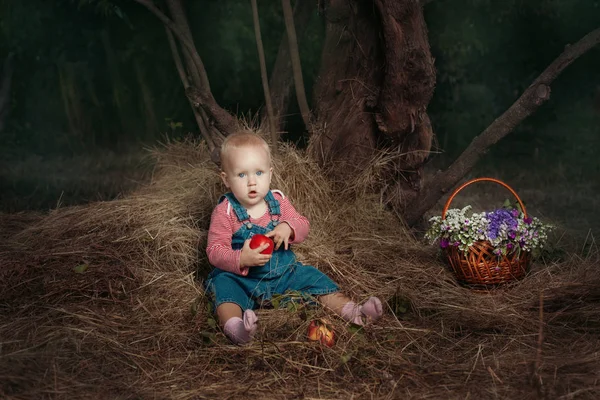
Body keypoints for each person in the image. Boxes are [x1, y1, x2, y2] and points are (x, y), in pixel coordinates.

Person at [204, 131, 383, 345]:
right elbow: (214, 250)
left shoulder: (278, 202)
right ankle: (238, 329)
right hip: (243, 279)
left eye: (259, 173)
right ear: (226, 179)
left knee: (314, 279)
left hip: (284, 275)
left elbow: (303, 224)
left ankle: (355, 312)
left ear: (270, 174)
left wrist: (288, 227)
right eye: (242, 175)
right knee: (224, 288)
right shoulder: (226, 211)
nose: (252, 182)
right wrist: (240, 259)